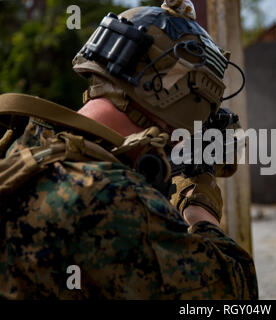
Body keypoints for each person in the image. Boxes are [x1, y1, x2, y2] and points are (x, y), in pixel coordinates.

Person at [0, 1, 258, 299]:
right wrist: (199, 201)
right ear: (183, 100)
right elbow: (233, 293)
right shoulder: (110, 196)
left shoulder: (26, 143)